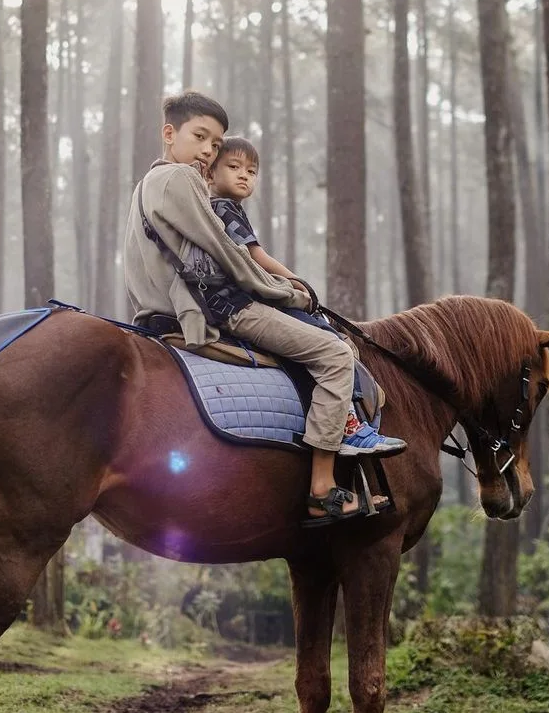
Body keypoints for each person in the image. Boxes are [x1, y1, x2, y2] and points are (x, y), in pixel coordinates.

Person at [123, 91, 404, 528]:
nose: (207, 151)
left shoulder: (146, 186)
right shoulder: (180, 180)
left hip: (169, 312)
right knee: (333, 353)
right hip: (221, 309)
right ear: (169, 133)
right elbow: (229, 256)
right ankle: (323, 489)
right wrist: (288, 292)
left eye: (215, 144)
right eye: (200, 137)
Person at [206, 135, 406, 456]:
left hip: (236, 299)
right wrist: (294, 280)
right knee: (331, 342)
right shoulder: (225, 209)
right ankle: (348, 423)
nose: (244, 175)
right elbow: (256, 256)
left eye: (252, 171)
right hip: (245, 303)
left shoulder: (212, 209)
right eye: (234, 167)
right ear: (210, 174)